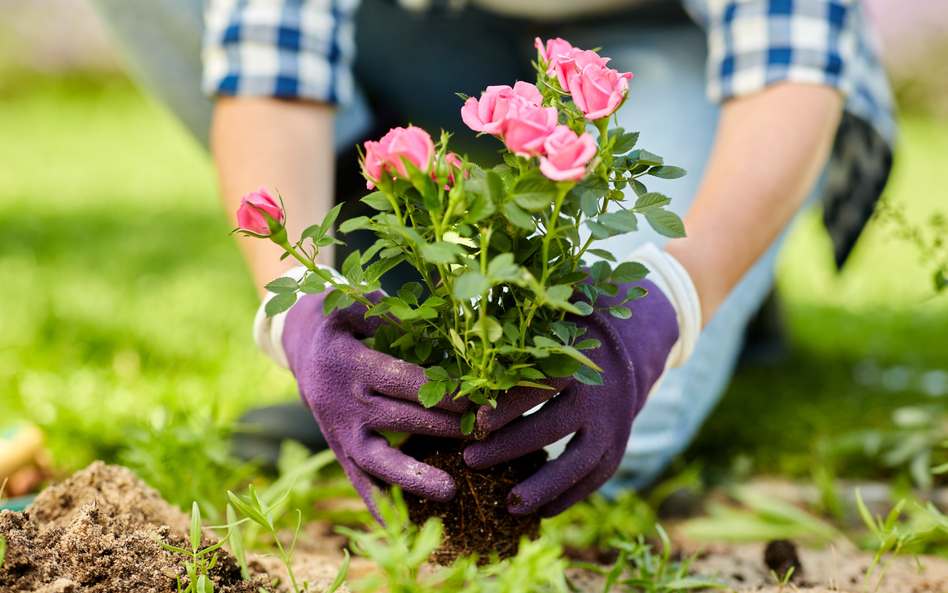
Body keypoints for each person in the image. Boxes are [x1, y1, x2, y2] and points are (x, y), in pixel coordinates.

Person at [89, 0, 895, 516]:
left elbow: (791, 62)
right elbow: (274, 62)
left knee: (568, 446)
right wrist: (296, 308)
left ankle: (725, 281)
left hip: (671, 45)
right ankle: (391, 301)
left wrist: (674, 298)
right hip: (433, 30)